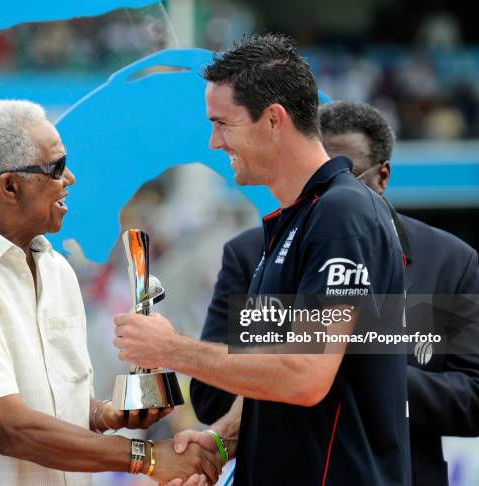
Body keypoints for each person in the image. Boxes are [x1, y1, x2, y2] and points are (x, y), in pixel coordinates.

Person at [114, 35, 411, 485]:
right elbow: (272, 376)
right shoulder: (296, 221)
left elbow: (305, 375)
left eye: (223, 124)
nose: (214, 142)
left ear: (273, 119)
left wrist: (171, 350)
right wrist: (222, 439)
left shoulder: (342, 215)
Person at [0, 100, 222, 486]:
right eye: (56, 168)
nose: (71, 178)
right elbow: (12, 428)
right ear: (9, 186)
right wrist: (144, 457)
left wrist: (105, 415)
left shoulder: (56, 268)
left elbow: (51, 400)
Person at [190, 100, 479, 486]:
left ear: (383, 177)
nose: (334, 191)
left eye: (350, 175)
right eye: (321, 176)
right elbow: (210, 398)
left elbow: (473, 399)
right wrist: (296, 361)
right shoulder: (249, 253)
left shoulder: (449, 262)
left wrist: (365, 371)